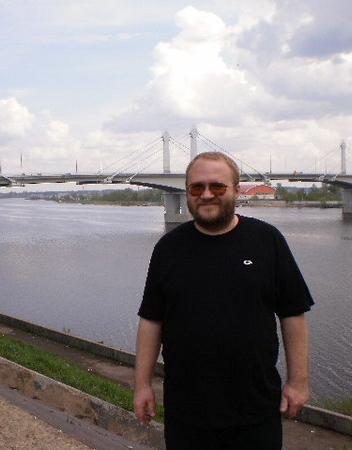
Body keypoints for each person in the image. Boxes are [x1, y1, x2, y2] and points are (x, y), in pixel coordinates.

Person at [133, 151, 314, 449]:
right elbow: (152, 320)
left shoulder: (267, 240)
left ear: (236, 190)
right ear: (187, 192)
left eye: (217, 186)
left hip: (256, 411)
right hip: (186, 413)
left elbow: (293, 314)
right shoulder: (168, 248)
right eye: (197, 187)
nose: (207, 195)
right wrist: (142, 385)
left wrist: (298, 382)